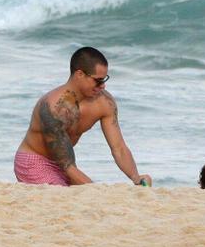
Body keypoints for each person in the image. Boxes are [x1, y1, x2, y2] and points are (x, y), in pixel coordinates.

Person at [14, 47, 151, 186]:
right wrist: (95, 189)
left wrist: (136, 177)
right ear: (79, 74)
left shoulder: (105, 103)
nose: (103, 86)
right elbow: (66, 165)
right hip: (35, 160)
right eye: (98, 81)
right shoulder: (55, 108)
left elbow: (119, 148)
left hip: (67, 164)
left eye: (105, 80)